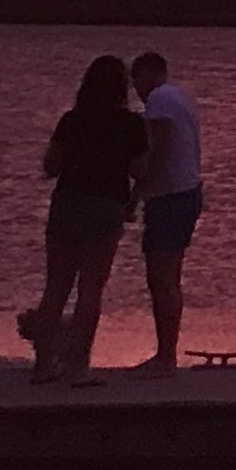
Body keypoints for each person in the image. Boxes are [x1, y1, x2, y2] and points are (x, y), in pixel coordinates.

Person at [21, 54, 147, 386]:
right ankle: (78, 369)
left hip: (66, 205)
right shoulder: (131, 125)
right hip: (105, 207)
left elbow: (51, 167)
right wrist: (132, 202)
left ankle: (43, 366)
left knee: (55, 288)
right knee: (90, 290)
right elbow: (140, 171)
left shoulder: (71, 120)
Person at [126, 50, 204, 378]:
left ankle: (165, 357)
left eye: (136, 80)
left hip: (170, 196)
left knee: (160, 277)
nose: (136, 89)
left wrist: (135, 195)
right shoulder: (180, 97)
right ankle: (166, 352)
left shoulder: (159, 100)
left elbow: (160, 151)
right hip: (188, 191)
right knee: (169, 277)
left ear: (149, 73)